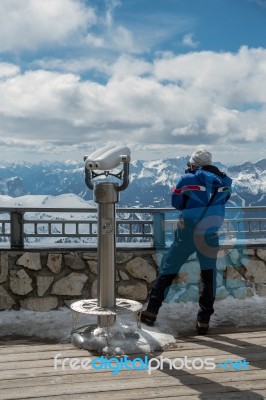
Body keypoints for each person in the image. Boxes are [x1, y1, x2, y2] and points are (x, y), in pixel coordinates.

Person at [140, 149, 232, 334]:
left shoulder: (186, 180)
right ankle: (203, 321)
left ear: (193, 164)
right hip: (211, 233)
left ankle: (151, 312)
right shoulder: (225, 182)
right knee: (208, 277)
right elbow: (224, 200)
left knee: (168, 270)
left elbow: (177, 203)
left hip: (188, 232)